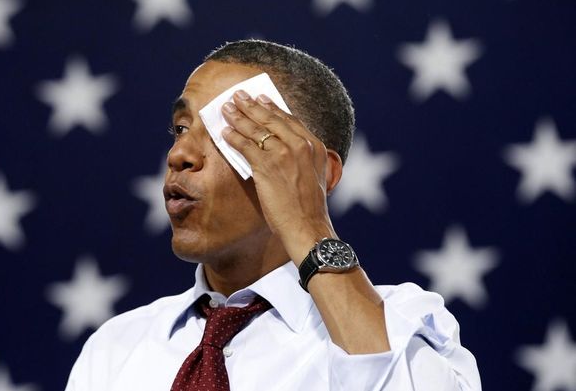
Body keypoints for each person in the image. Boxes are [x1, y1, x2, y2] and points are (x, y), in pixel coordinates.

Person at [64, 40, 482, 390]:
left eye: (233, 132)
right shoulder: (114, 349)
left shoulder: (403, 324)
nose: (179, 155)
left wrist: (309, 226)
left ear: (321, 172)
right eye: (181, 128)